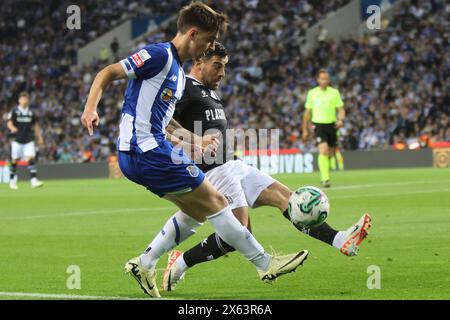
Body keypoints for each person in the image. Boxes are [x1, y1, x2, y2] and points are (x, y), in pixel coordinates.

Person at [80, 1, 308, 298]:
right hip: (145, 151)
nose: (209, 46)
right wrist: (90, 108)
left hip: (145, 153)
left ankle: (145, 262)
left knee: (195, 212)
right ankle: (265, 263)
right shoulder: (160, 55)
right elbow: (107, 72)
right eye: (208, 40)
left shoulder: (175, 71)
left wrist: (195, 140)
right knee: (216, 199)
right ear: (192, 33)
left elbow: (165, 120)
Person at [160, 42, 372, 291]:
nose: (222, 73)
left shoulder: (208, 91)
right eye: (217, 66)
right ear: (198, 62)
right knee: (238, 233)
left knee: (289, 199)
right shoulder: (182, 86)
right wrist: (190, 142)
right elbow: (163, 122)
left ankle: (340, 240)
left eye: (224, 67)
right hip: (213, 170)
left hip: (233, 163)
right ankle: (180, 262)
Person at [302, 69, 345, 187]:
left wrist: (341, 119)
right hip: (319, 125)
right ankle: (324, 178)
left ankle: (329, 162)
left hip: (332, 125)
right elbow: (307, 113)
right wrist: (305, 130)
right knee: (323, 150)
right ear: (318, 80)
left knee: (330, 152)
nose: (324, 81)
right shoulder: (312, 93)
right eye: (322, 78)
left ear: (329, 80)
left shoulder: (334, 93)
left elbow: (341, 109)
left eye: (326, 78)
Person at [7, 92, 44, 189]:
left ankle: (33, 180)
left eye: (26, 98)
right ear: (19, 100)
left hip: (28, 139)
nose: (24, 100)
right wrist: (12, 128)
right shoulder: (14, 111)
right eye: (22, 98)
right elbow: (9, 123)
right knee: (15, 160)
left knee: (30, 158)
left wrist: (39, 137)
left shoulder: (31, 113)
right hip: (17, 139)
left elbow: (35, 126)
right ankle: (12, 180)